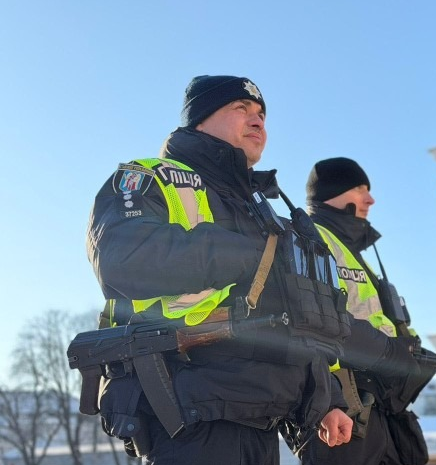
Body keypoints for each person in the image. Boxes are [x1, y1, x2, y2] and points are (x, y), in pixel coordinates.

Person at [86, 75, 352, 465]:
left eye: (261, 114)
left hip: (262, 416)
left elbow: (291, 320)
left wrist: (328, 399)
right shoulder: (149, 176)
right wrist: (253, 253)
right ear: (200, 120)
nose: (258, 121)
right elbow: (122, 259)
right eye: (241, 109)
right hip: (190, 413)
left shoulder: (266, 212)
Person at [300, 157, 436, 465]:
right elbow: (317, 323)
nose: (370, 199)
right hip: (345, 410)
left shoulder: (351, 249)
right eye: (360, 189)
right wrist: (392, 352)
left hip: (382, 404)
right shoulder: (311, 238)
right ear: (333, 192)